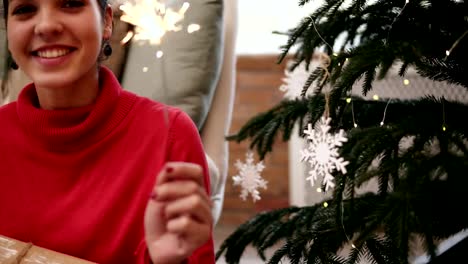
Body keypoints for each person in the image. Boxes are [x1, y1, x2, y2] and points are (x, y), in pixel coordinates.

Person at [0, 0, 215, 263]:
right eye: (24, 10)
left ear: (107, 21)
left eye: (70, 3)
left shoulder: (169, 135)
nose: (46, 26)